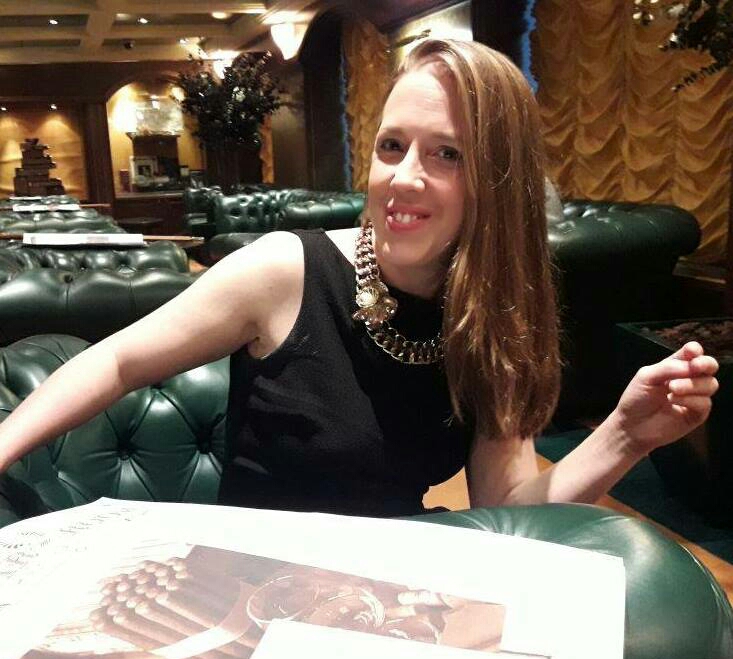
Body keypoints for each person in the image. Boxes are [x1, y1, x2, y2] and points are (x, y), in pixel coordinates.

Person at [0, 39, 719, 518]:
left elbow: (505, 510)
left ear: (497, 180)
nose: (403, 178)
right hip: (251, 591)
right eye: (392, 146)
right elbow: (118, 361)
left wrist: (623, 435)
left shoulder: (493, 313)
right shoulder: (285, 269)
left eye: (447, 154)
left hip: (389, 598)